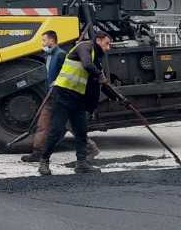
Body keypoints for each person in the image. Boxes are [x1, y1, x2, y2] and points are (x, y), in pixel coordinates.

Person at [37, 29, 123, 176]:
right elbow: (87, 65)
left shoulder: (96, 57)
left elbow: (103, 83)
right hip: (63, 94)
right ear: (98, 40)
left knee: (81, 131)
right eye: (107, 44)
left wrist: (120, 98)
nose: (108, 48)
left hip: (78, 98)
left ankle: (81, 163)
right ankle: (44, 161)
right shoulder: (84, 47)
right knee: (56, 131)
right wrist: (99, 75)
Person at [20, 30, 67, 164]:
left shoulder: (61, 55)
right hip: (50, 95)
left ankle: (89, 148)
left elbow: (66, 75)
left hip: (60, 96)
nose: (43, 43)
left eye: (44, 40)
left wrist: (57, 86)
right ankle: (37, 153)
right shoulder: (49, 55)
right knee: (42, 124)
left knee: (70, 124)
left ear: (52, 41)